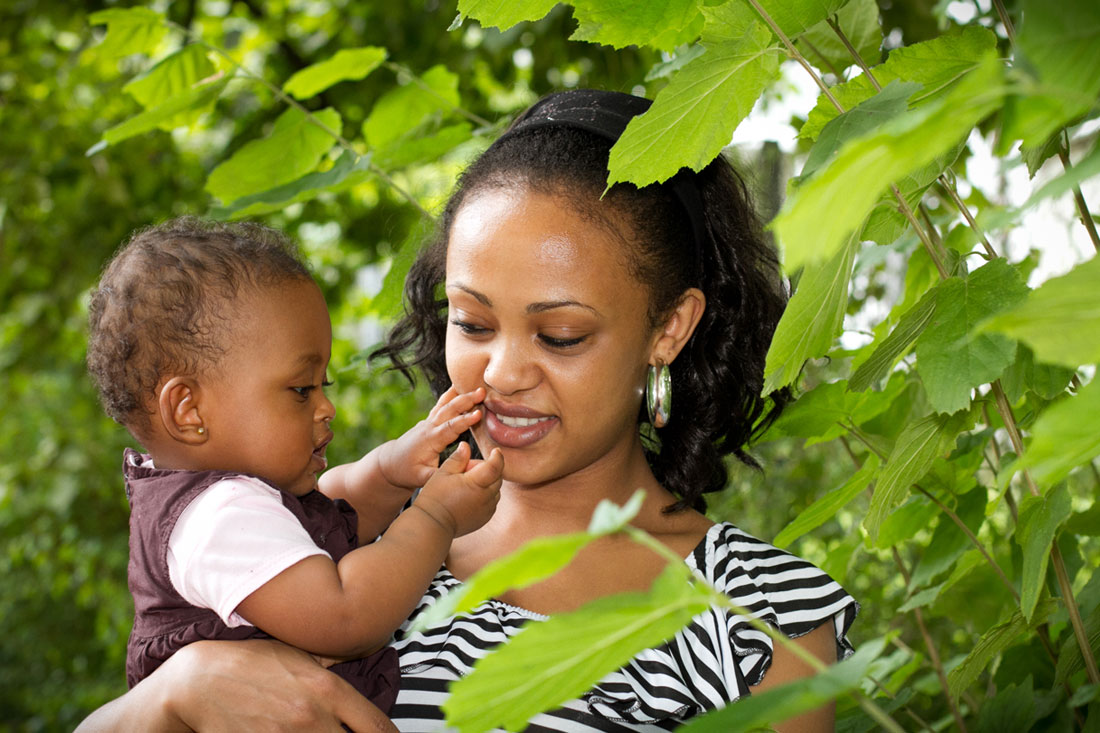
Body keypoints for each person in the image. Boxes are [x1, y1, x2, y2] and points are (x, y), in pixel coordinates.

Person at [78, 90, 858, 732]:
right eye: (473, 323)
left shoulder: (759, 616)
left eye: (560, 334)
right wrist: (173, 691)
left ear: (669, 328)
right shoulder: (334, 536)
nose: (504, 370)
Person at [83, 218, 504, 731]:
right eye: (301, 389)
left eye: (322, 383)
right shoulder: (218, 519)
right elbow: (347, 618)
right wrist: (435, 516)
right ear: (189, 410)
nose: (327, 407)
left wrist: (394, 470)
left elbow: (333, 509)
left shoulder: (233, 501)